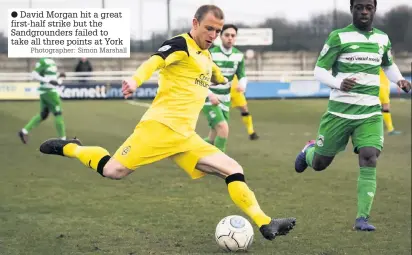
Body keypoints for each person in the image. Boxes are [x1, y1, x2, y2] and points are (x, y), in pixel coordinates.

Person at [39, 5, 296, 241]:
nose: (213, 35)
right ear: (195, 23)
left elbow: (211, 72)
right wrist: (135, 81)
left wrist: (218, 81)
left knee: (233, 168)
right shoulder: (179, 45)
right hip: (159, 128)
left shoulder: (205, 56)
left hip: (185, 136)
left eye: (217, 31)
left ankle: (265, 223)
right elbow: (155, 61)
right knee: (113, 171)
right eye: (209, 28)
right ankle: (72, 148)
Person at [294, 0, 411, 231]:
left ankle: (362, 219)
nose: (364, 11)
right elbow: (318, 70)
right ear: (352, 9)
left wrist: (399, 79)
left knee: (369, 156)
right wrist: (338, 83)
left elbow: (387, 65)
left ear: (375, 9)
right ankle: (308, 152)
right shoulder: (338, 37)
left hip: (369, 113)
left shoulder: (382, 39)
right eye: (359, 7)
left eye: (368, 7)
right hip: (339, 113)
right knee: (320, 163)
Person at [202, 24, 248, 152]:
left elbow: (242, 75)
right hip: (209, 97)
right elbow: (201, 77)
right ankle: (220, 162)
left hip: (225, 99)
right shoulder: (211, 54)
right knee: (223, 128)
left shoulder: (238, 56)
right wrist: (210, 94)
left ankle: (193, 151)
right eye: (227, 35)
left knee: (213, 134)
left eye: (233, 36)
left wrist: (242, 84)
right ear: (220, 37)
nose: (230, 38)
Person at [18, 58, 66, 144]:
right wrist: (49, 81)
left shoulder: (52, 61)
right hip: (49, 92)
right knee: (58, 113)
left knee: (43, 114)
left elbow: (52, 79)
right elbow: (34, 74)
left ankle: (24, 131)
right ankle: (63, 139)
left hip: (46, 91)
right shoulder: (43, 61)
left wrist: (59, 78)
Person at [379, 68, 401, 135]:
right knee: (385, 107)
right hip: (382, 87)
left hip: (380, 86)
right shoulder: (384, 61)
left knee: (377, 107)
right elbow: (392, 71)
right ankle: (390, 129)